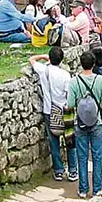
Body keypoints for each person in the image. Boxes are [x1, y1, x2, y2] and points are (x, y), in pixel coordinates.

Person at [67, 51, 102, 198]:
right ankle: (97, 189)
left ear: (81, 63)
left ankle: (83, 189)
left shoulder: (74, 81)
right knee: (97, 156)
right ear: (93, 64)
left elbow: (70, 104)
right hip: (97, 123)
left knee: (82, 156)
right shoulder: (100, 81)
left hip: (79, 123)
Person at [30, 48, 78, 182]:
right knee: (69, 141)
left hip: (49, 110)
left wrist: (43, 57)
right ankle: (73, 170)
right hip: (65, 111)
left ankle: (58, 171)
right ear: (61, 60)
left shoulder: (43, 70)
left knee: (54, 141)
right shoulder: (65, 75)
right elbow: (69, 95)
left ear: (50, 59)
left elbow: (31, 60)